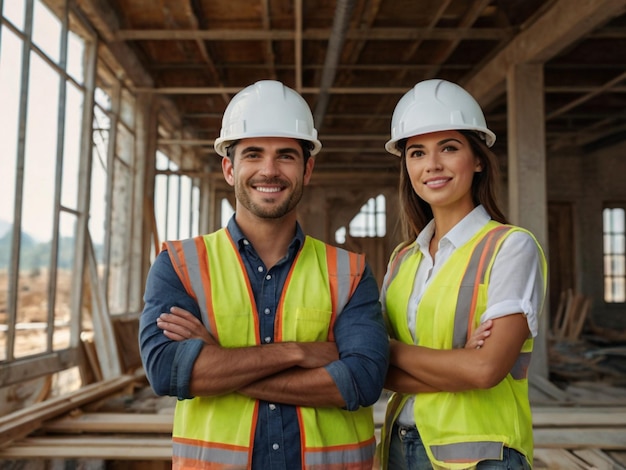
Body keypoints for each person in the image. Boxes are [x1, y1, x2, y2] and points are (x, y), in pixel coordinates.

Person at [139, 79, 389, 470]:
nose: (269, 171)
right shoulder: (179, 265)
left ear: (307, 169)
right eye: (253, 154)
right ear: (229, 168)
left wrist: (218, 362)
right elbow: (168, 372)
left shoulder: (350, 272)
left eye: (286, 156)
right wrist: (298, 352)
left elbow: (361, 380)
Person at [377, 79, 548, 470]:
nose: (432, 165)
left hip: (483, 455)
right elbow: (375, 371)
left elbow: (486, 369)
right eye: (417, 152)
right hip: (400, 448)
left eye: (449, 148)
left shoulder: (511, 247)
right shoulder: (403, 260)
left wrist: (387, 348)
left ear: (478, 160)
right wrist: (458, 362)